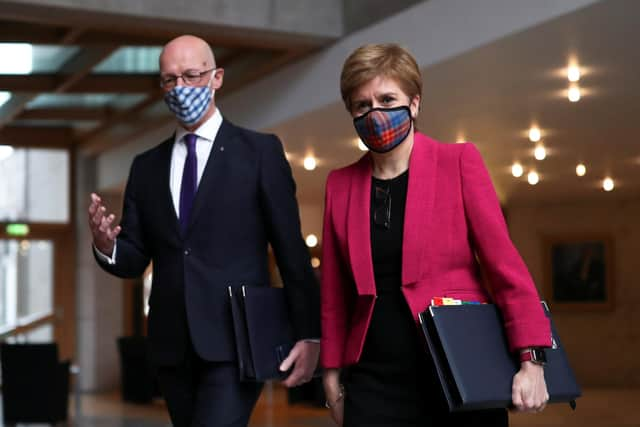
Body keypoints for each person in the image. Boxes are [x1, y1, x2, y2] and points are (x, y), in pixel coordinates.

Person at [88, 35, 320, 427]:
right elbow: (134, 258)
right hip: (171, 347)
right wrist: (106, 245)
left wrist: (309, 334)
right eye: (169, 80)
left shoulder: (259, 153)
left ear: (217, 78)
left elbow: (290, 249)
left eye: (191, 76)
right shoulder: (146, 167)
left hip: (237, 343)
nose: (180, 89)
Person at [320, 43, 551, 427]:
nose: (375, 113)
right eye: (362, 105)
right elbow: (333, 294)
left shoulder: (458, 163)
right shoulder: (339, 184)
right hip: (374, 382)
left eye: (387, 99)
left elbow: (505, 268)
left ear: (413, 103)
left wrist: (532, 359)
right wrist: (330, 377)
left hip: (459, 371)